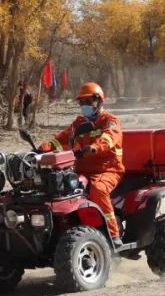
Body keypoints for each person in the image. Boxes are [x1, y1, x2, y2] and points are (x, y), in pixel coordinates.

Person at [39, 82, 125, 243]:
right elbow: (61, 139)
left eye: (88, 102)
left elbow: (109, 138)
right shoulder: (79, 123)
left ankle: (113, 234)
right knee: (58, 188)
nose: (84, 105)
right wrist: (43, 148)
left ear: (99, 101)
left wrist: (94, 147)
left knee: (98, 190)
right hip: (82, 170)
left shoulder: (110, 120)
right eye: (82, 102)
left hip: (108, 170)